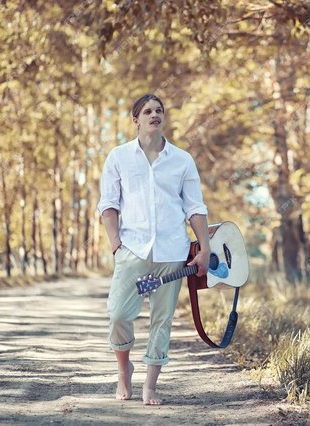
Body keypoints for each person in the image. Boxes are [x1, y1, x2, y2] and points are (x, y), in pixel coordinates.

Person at [97, 93, 210, 405]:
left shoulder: (182, 160)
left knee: (162, 319)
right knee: (119, 313)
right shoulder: (118, 157)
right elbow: (108, 205)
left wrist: (204, 248)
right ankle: (124, 371)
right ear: (136, 119)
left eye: (159, 110)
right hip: (131, 250)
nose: (154, 114)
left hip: (171, 252)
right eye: (147, 111)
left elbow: (195, 208)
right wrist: (116, 245)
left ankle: (150, 387)